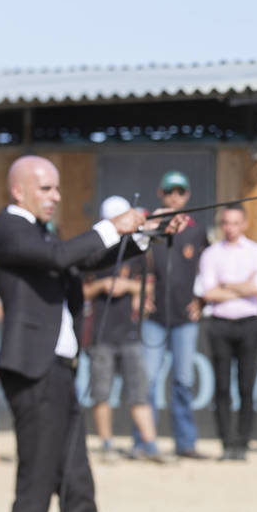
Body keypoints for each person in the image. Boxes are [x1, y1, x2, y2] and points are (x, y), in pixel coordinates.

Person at [0, 155, 184, 512]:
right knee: (36, 486)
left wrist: (145, 233)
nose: (56, 196)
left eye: (57, 188)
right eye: (48, 188)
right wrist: (112, 225)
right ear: (20, 191)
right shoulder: (8, 229)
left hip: (57, 372)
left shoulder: (39, 233)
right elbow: (62, 257)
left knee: (78, 486)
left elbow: (84, 260)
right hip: (32, 373)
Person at [83, 196, 164, 464]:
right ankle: (107, 444)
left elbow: (149, 286)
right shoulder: (92, 250)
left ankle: (150, 444)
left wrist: (127, 287)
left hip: (129, 332)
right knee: (102, 392)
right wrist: (103, 286)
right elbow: (82, 290)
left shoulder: (136, 251)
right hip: (101, 331)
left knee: (139, 391)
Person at [140, 171, 209, 460]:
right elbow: (138, 259)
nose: (174, 197)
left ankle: (185, 443)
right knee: (147, 381)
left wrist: (201, 301)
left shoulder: (196, 230)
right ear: (161, 195)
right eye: (170, 192)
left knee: (182, 381)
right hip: (154, 316)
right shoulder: (150, 227)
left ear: (187, 196)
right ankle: (144, 442)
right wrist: (139, 294)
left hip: (184, 316)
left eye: (179, 192)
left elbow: (208, 269)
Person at [196, 203, 257, 461]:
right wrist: (241, 286)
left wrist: (226, 285)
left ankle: (243, 443)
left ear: (244, 224)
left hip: (248, 322)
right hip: (220, 324)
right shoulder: (211, 254)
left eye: (235, 223)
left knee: (247, 386)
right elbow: (209, 292)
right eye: (226, 223)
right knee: (222, 387)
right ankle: (227, 442)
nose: (230, 228)